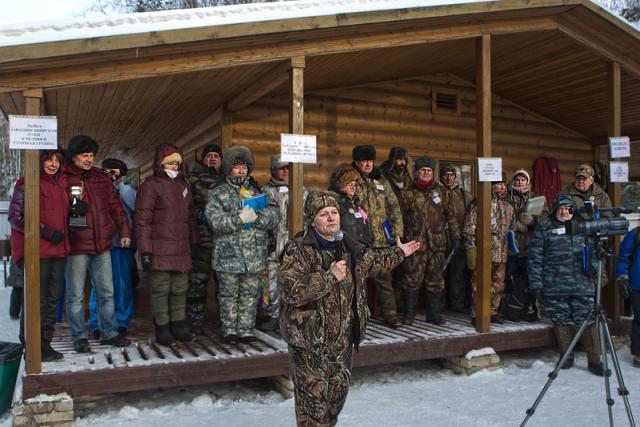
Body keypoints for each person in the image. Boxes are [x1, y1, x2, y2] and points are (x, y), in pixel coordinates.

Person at [279, 193, 420, 426]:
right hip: (311, 341)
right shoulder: (299, 249)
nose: (331, 218)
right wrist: (328, 277)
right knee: (313, 406)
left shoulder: (349, 246)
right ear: (313, 219)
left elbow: (375, 261)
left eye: (334, 213)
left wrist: (400, 252)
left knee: (336, 399)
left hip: (342, 340)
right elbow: (290, 290)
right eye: (324, 214)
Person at [63, 135, 131, 353]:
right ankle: (79, 337)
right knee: (75, 296)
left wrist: (125, 231)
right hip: (76, 246)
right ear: (74, 157)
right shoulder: (64, 178)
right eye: (84, 155)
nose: (89, 159)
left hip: (102, 245)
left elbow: (116, 208)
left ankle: (109, 333)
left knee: (107, 292)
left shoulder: (101, 178)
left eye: (91, 155)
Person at [205, 146, 279, 344]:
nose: (241, 171)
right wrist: (239, 218)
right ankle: (230, 330)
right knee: (228, 295)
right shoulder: (218, 192)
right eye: (237, 167)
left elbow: (274, 215)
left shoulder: (257, 190)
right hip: (228, 256)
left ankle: (246, 330)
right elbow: (215, 221)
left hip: (253, 256)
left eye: (245, 167)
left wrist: (257, 218)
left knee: (250, 294)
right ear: (228, 168)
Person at [528, 195, 603, 375]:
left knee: (588, 321)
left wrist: (594, 269)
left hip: (582, 284)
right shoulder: (545, 227)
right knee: (560, 321)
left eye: (567, 208)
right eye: (560, 208)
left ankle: (595, 361)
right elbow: (535, 258)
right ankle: (566, 358)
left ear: (573, 209)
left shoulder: (584, 225)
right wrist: (536, 284)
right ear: (555, 209)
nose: (564, 211)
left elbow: (595, 252)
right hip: (554, 285)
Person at [9, 149, 70, 361]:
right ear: (40, 161)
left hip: (59, 251)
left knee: (53, 300)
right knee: (36, 300)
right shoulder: (27, 183)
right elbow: (15, 217)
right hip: (36, 251)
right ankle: (31, 346)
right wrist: (46, 232)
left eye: (57, 160)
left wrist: (76, 210)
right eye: (49, 160)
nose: (53, 164)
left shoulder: (62, 184)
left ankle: (45, 344)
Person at [135, 144, 199, 346]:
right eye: (170, 163)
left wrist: (193, 241)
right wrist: (145, 250)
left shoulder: (183, 186)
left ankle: (178, 326)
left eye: (177, 164)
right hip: (159, 249)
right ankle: (162, 328)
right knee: (161, 290)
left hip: (181, 249)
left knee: (180, 289)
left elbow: (190, 218)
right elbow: (142, 221)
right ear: (161, 164)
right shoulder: (150, 186)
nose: (174, 167)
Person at [398, 156, 459, 325]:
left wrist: (456, 237)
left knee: (436, 280)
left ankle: (434, 314)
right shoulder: (407, 193)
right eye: (422, 170)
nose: (426, 172)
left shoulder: (442, 192)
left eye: (429, 170)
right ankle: (408, 315)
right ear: (416, 172)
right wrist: (399, 240)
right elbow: (398, 218)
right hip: (414, 245)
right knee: (411, 279)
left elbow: (451, 217)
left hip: (437, 245)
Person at [351, 145, 404, 328]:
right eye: (364, 161)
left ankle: (390, 314)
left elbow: (394, 207)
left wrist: (397, 234)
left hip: (381, 239)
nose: (368, 164)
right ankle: (358, 316)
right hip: (359, 241)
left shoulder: (380, 180)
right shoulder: (350, 179)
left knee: (384, 279)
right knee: (358, 281)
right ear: (357, 162)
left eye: (370, 161)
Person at [88, 158, 137, 338]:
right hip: (100, 243)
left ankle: (121, 320)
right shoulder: (95, 189)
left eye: (115, 172)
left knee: (122, 284)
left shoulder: (128, 191)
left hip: (122, 244)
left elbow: (136, 212)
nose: (111, 175)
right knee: (99, 284)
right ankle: (96, 322)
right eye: (108, 171)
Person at [258, 154, 307, 331]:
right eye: (281, 168)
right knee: (271, 283)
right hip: (271, 244)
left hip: (293, 244)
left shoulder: (301, 190)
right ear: (273, 170)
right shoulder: (264, 191)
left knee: (293, 281)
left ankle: (292, 317)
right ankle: (273, 316)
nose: (285, 171)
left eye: (288, 167)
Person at [462, 172, 515, 324]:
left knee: (498, 285)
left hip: (501, 253)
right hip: (484, 252)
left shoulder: (508, 207)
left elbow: (511, 230)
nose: (502, 187)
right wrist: (471, 249)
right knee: (479, 284)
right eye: (498, 184)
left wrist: (512, 248)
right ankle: (478, 312)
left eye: (504, 184)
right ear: (491, 186)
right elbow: (469, 229)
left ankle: (492, 311)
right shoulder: (479, 204)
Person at [185, 143, 223, 335]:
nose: (212, 158)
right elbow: (186, 205)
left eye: (216, 155)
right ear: (203, 159)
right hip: (202, 240)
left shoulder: (227, 180)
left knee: (224, 283)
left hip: (225, 242)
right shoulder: (193, 179)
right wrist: (200, 214)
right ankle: (195, 323)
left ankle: (226, 323)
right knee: (197, 282)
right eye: (209, 155)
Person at [504, 168, 547, 321]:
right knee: (509, 279)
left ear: (528, 182)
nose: (520, 182)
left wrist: (533, 221)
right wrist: (514, 225)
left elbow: (545, 220)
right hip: (511, 246)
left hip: (531, 247)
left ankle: (532, 310)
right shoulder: (507, 197)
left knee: (531, 280)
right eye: (517, 179)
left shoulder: (536, 198)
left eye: (523, 180)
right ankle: (509, 310)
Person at [440, 163, 474, 313]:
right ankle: (439, 304)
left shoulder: (464, 195)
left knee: (458, 271)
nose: (449, 177)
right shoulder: (437, 192)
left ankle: (457, 303)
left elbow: (471, 215)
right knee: (439, 271)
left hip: (459, 237)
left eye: (451, 175)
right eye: (446, 175)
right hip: (440, 237)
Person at [328, 163, 373, 246]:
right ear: (340, 184)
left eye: (355, 185)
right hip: (345, 249)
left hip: (362, 248)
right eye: (350, 184)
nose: (353, 188)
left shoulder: (357, 203)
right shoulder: (333, 203)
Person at [615, 227, 640, 368]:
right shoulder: (635, 234)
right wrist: (622, 276)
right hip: (637, 285)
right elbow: (623, 256)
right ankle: (638, 353)